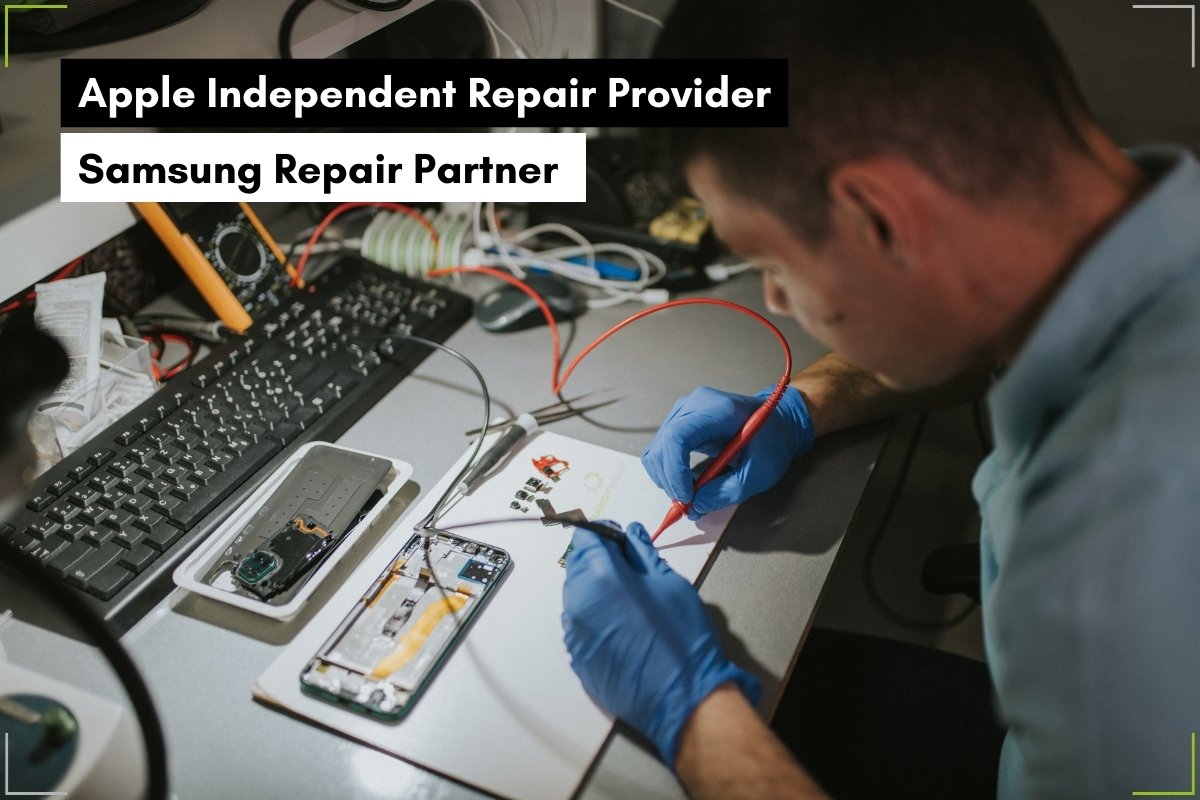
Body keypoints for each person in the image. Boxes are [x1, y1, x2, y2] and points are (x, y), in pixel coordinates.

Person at [559, 0, 1200, 797]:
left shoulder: (1120, 541)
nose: (776, 299)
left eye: (770, 261)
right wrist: (811, 402)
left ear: (879, 216)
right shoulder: (1117, 226)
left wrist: (690, 713)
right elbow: (983, 314)